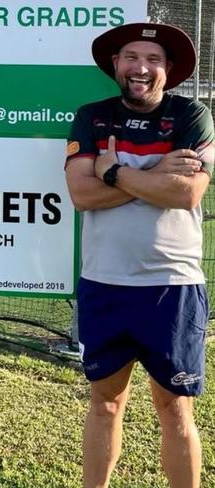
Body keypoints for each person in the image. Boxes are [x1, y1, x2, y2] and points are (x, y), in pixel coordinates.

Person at [65, 22, 215, 488]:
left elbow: (187, 192)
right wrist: (154, 173)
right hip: (104, 283)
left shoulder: (193, 115)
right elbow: (81, 194)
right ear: (116, 64)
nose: (141, 68)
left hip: (172, 287)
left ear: (168, 69)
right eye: (131, 57)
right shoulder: (92, 116)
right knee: (105, 402)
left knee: (174, 407)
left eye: (153, 60)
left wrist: (113, 171)